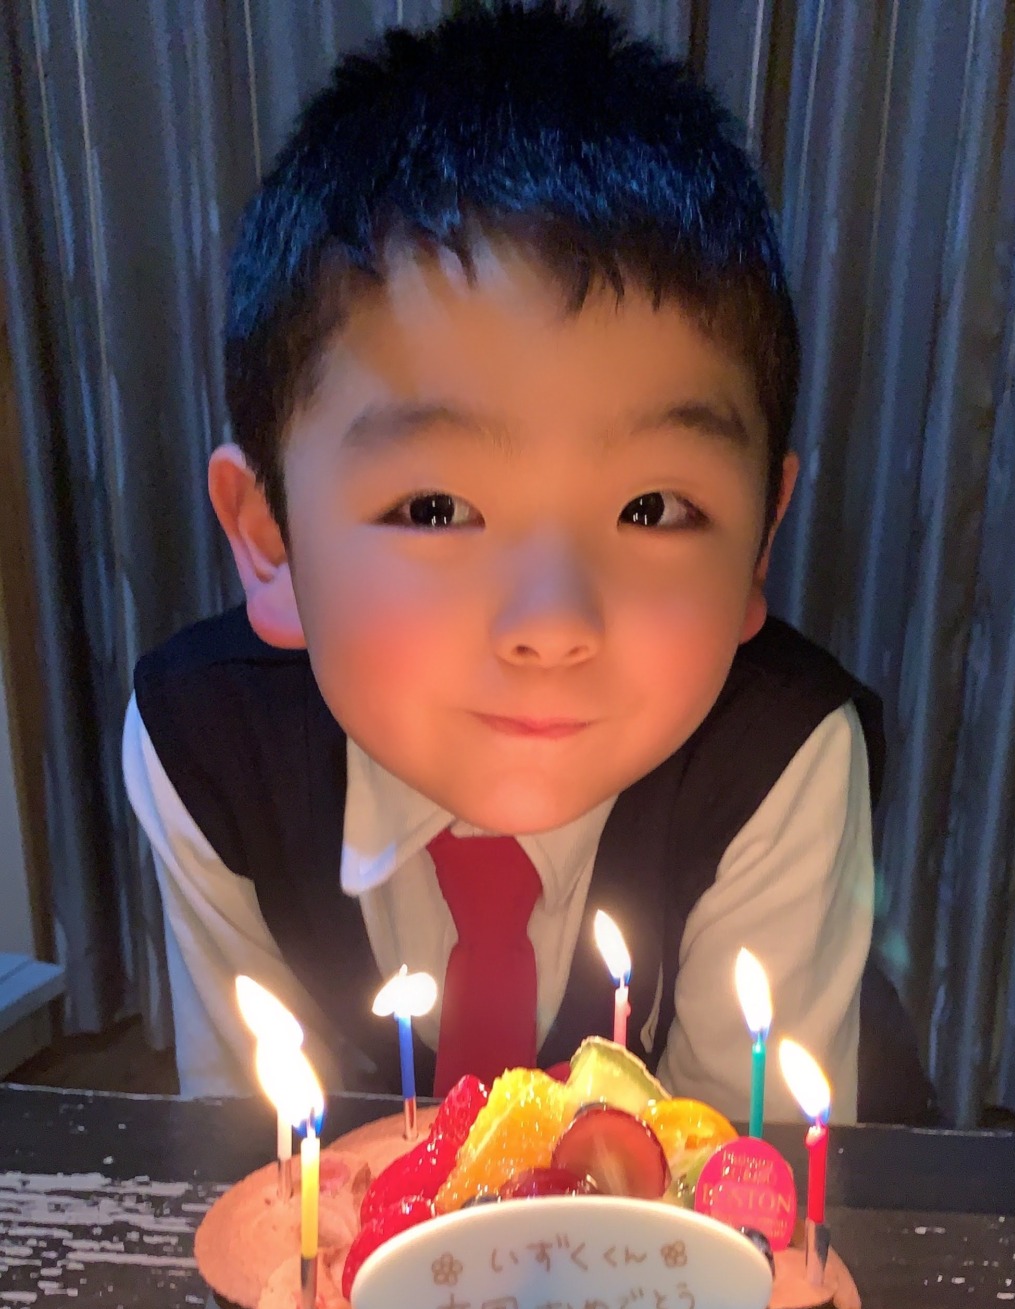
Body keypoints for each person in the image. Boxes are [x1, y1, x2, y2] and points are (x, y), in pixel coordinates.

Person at [123, 0, 889, 1124]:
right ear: (269, 535)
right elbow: (262, 1158)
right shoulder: (206, 747)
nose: (552, 622)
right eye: (435, 508)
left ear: (760, 538)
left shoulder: (781, 757)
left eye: (653, 508)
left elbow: (741, 1184)